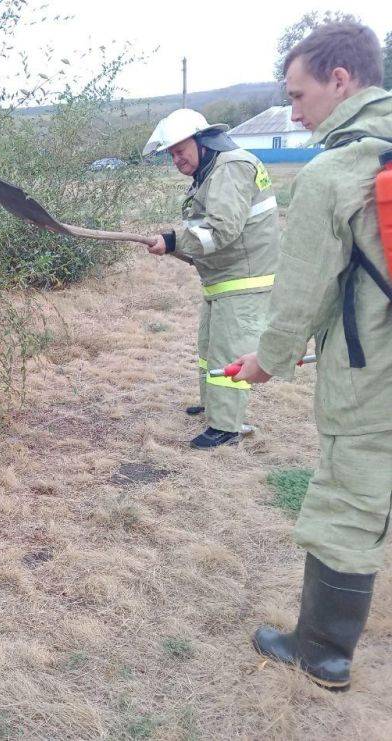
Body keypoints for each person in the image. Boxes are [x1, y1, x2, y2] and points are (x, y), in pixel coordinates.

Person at [230, 22, 392, 691]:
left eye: (299, 96)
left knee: (350, 498)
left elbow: (299, 298)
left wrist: (265, 360)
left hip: (373, 375)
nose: (294, 112)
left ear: (341, 81)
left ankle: (322, 651)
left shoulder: (333, 173)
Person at [142, 109, 281, 448]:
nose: (175, 159)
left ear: (203, 141)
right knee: (209, 348)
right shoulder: (212, 171)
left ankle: (227, 427)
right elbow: (204, 237)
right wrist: (173, 245)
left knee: (228, 352)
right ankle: (213, 407)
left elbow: (220, 231)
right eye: (171, 154)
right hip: (223, 280)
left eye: (179, 150)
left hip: (243, 280)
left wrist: (173, 240)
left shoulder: (231, 167)